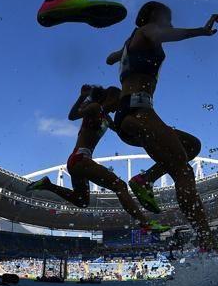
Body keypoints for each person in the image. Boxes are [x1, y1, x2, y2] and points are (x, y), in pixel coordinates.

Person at [106, 1, 218, 250]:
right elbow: (164, 34)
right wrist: (201, 31)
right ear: (152, 16)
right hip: (140, 111)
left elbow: (109, 59)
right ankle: (206, 239)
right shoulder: (148, 30)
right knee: (183, 172)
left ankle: (146, 178)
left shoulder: (131, 41)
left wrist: (122, 54)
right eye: (166, 17)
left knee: (191, 146)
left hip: (130, 114)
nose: (169, 22)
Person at [26, 85, 169, 233]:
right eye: (117, 102)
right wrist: (82, 96)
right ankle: (145, 224)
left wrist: (150, 133)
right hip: (80, 158)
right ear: (110, 97)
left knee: (82, 202)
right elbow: (73, 115)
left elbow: (123, 132)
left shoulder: (106, 117)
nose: (117, 108)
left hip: (78, 161)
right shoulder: (95, 107)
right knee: (120, 186)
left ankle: (48, 185)